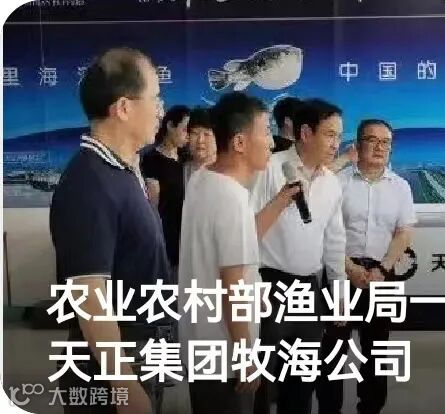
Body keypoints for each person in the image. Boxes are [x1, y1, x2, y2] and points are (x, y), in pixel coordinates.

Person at [49, 47, 167, 414]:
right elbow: (90, 296)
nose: (161, 110)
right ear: (124, 108)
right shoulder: (88, 182)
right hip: (110, 370)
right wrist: (125, 386)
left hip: (140, 352)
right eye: (155, 98)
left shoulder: (123, 169)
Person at [178, 91, 300, 414]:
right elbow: (231, 285)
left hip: (200, 345)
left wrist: (281, 201)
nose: (271, 143)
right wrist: (246, 357)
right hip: (225, 356)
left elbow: (232, 248)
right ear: (240, 142)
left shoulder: (202, 179)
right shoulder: (231, 198)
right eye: (265, 132)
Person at [250, 98, 347, 414]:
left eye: (338, 136)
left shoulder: (331, 183)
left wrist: (339, 294)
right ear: (305, 133)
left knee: (301, 385)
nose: (336, 144)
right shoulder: (270, 168)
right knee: (263, 384)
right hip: (269, 286)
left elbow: (334, 242)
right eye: (329, 134)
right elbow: (246, 232)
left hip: (308, 290)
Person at [318, 119, 416, 414]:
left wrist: (382, 269)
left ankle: (371, 407)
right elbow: (322, 229)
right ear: (358, 145)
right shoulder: (338, 182)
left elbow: (404, 232)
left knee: (377, 350)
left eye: (385, 142)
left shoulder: (400, 187)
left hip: (381, 277)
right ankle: (330, 409)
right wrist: (348, 267)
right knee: (333, 350)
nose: (379, 147)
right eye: (372, 140)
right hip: (340, 274)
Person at [141, 104, 190, 270]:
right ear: (170, 125)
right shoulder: (152, 159)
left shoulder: (186, 158)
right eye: (184, 129)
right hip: (167, 238)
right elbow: (153, 205)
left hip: (188, 236)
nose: (188, 136)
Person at [183, 106, 217, 185]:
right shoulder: (180, 170)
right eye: (195, 133)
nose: (200, 140)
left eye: (206, 134)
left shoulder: (226, 173)